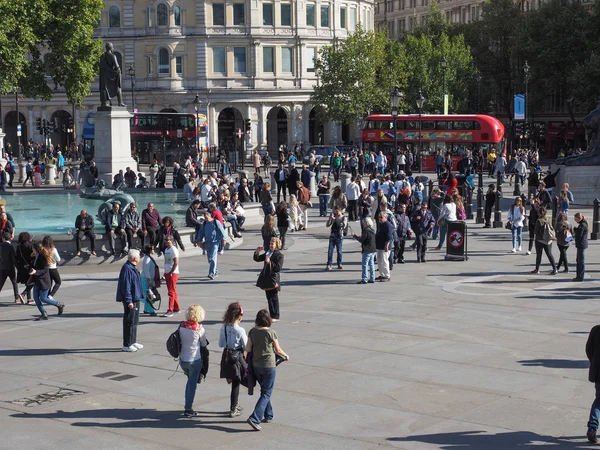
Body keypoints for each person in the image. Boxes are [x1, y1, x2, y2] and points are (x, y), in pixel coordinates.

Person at [246, 309, 289, 431]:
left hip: (256, 365)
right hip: (269, 366)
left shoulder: (252, 332)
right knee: (266, 393)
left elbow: (248, 349)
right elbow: (278, 350)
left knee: (264, 390)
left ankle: (268, 414)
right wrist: (286, 356)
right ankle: (254, 418)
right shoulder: (271, 333)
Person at [219, 302, 248, 418]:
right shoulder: (240, 330)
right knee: (237, 381)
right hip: (237, 356)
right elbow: (246, 347)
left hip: (226, 355)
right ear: (239, 316)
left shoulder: (224, 328)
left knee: (234, 380)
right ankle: (234, 407)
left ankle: (235, 404)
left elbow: (221, 344)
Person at [179, 304, 208, 417]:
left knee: (189, 381)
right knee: (192, 384)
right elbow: (204, 343)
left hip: (183, 360)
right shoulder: (199, 329)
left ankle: (187, 403)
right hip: (194, 360)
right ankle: (188, 408)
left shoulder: (181, 326)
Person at [116, 249, 143, 352]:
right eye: (139, 256)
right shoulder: (127, 268)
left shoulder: (132, 267)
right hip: (131, 299)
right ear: (135, 258)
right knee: (129, 321)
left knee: (134, 321)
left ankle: (133, 341)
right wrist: (129, 300)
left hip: (135, 297)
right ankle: (127, 344)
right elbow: (126, 286)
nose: (140, 257)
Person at [30, 241, 65, 321]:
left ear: (36, 249)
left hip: (44, 281)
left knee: (43, 298)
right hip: (37, 281)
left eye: (33, 249)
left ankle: (59, 304)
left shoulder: (43, 257)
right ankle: (43, 313)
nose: (32, 251)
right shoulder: (37, 256)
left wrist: (36, 272)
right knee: (36, 297)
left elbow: (45, 269)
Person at [253, 238, 284, 321]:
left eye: (272, 244)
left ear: (276, 245)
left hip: (274, 279)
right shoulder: (268, 253)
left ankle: (276, 315)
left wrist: (269, 262)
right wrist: (257, 251)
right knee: (269, 298)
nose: (270, 245)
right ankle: (272, 315)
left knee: (274, 297)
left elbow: (278, 268)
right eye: (270, 244)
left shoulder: (279, 256)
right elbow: (257, 259)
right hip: (267, 278)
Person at [196, 211, 226, 280]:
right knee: (209, 259)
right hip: (208, 243)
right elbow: (201, 232)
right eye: (205, 218)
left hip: (215, 242)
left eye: (207, 218)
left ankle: (211, 273)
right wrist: (199, 240)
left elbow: (222, 231)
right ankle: (215, 271)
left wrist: (224, 239)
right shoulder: (204, 224)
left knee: (213, 258)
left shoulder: (216, 222)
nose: (206, 219)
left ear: (210, 216)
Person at [531, 207, 557, 275]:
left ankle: (537, 269)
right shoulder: (549, 219)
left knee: (539, 255)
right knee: (549, 254)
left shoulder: (539, 221)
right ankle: (555, 269)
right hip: (548, 240)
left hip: (540, 239)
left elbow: (535, 231)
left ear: (539, 213)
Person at [586, 324, 600, 443]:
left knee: (599, 401)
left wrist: (594, 363)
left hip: (598, 373)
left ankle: (592, 428)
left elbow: (588, 349)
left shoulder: (596, 330)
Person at [353, 217, 376, 284]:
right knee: (371, 264)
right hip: (373, 249)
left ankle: (364, 279)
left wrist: (355, 236)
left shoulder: (366, 231)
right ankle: (372, 278)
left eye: (364, 223)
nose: (363, 224)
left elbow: (361, 240)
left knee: (365, 265)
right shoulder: (372, 230)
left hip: (367, 249)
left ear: (366, 223)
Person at [0, 231, 21, 303]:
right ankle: (16, 298)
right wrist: (18, 268)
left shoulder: (0, 245)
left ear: (3, 238)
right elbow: (13, 259)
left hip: (2, 267)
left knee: (1, 283)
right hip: (10, 268)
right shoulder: (11, 247)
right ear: (10, 238)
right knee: (14, 283)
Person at [162, 236, 180, 317]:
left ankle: (170, 310)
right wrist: (165, 273)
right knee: (173, 291)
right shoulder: (166, 250)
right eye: (165, 240)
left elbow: (176, 262)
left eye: (168, 240)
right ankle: (177, 308)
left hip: (173, 273)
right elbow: (167, 262)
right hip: (167, 273)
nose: (166, 241)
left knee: (171, 292)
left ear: (172, 241)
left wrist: (171, 272)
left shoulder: (174, 249)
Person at [140, 245, 160, 317]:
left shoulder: (148, 257)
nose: (154, 250)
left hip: (148, 279)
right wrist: (149, 280)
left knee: (148, 294)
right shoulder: (147, 258)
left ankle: (146, 309)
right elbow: (146, 270)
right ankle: (151, 310)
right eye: (153, 249)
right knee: (150, 295)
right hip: (146, 279)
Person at [16, 232, 34, 304]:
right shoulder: (30, 246)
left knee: (28, 282)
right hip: (30, 266)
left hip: (22, 267)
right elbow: (32, 256)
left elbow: (17, 257)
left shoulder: (19, 247)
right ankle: (23, 294)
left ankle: (29, 299)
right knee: (33, 281)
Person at [42, 236, 61, 300]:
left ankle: (47, 295)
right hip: (53, 268)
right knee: (58, 282)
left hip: (46, 269)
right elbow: (58, 259)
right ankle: (51, 295)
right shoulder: (53, 250)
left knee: (49, 283)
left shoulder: (42, 249)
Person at [375, 213, 393, 281]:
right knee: (379, 261)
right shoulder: (380, 224)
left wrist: (386, 245)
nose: (379, 218)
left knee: (384, 261)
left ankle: (387, 275)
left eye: (381, 217)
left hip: (385, 246)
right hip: (379, 245)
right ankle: (382, 274)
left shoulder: (388, 225)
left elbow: (389, 237)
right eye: (379, 217)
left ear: (385, 217)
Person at [573, 212, 589, 282]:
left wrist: (575, 230)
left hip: (581, 244)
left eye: (575, 219)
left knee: (581, 261)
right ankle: (578, 275)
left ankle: (580, 276)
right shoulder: (583, 224)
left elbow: (579, 235)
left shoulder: (582, 225)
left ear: (579, 218)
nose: (575, 220)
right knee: (579, 261)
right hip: (582, 244)